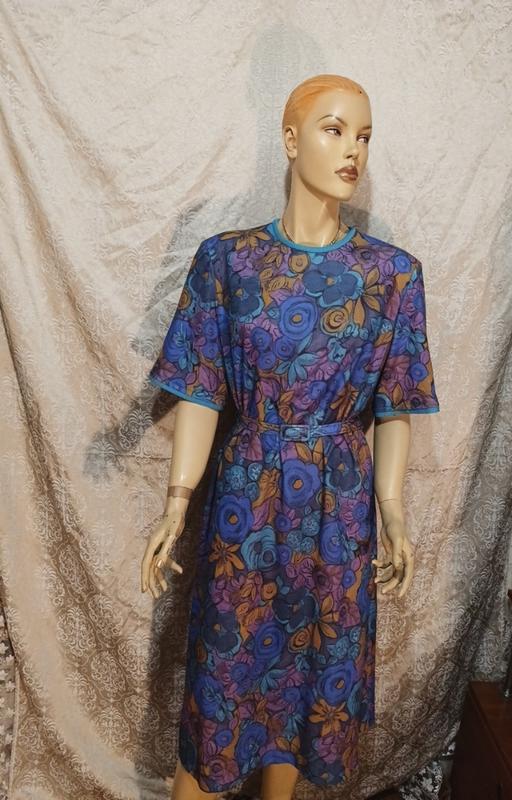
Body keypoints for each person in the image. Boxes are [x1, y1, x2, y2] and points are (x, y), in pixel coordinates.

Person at [141, 73, 440, 800]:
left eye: (363, 136)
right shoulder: (227, 261)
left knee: (308, 682)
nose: (353, 150)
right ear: (289, 139)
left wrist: (393, 511)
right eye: (334, 130)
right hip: (247, 499)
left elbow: (395, 404)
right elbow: (202, 386)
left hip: (341, 508)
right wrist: (177, 502)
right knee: (225, 678)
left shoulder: (392, 276)